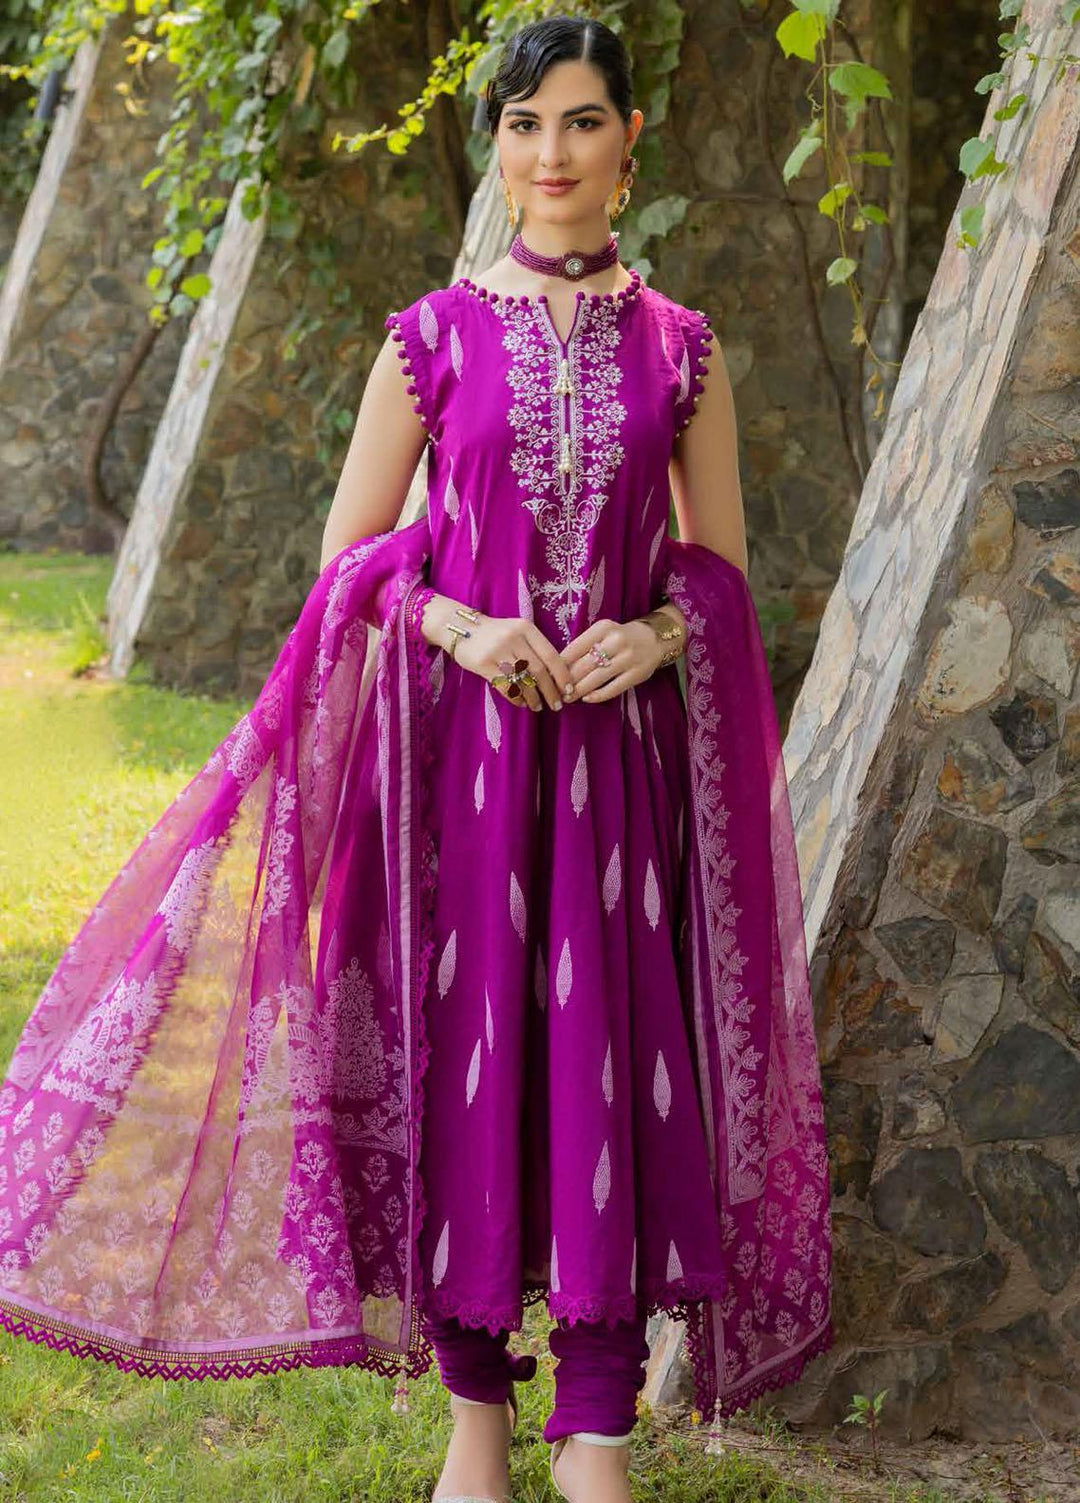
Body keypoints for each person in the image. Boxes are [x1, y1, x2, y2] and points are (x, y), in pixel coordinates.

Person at [0, 15, 832, 1503]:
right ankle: (475, 1439)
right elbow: (349, 560)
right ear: (495, 145)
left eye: (581, 122)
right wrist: (463, 625)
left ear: (630, 143)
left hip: (618, 780)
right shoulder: (430, 338)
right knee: (477, 1067)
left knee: (613, 1071)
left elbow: (720, 571)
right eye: (524, 124)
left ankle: (596, 1437)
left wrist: (655, 635)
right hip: (465, 776)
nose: (552, 153)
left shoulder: (683, 348)